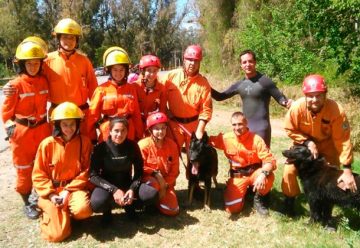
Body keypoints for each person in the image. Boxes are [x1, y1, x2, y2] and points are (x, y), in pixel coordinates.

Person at [3, 18, 98, 138]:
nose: (68, 41)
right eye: (64, 37)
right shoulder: (47, 60)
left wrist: (95, 114)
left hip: (81, 114)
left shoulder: (84, 61)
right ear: (58, 38)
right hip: (57, 115)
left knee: (83, 149)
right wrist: (10, 85)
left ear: (77, 40)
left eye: (72, 38)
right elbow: (29, 76)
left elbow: (94, 91)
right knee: (58, 151)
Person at [281, 74, 356, 215]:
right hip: (304, 146)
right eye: (310, 96)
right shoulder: (297, 108)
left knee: (332, 179)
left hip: (328, 145)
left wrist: (347, 169)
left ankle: (326, 214)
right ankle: (289, 203)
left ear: (325, 94)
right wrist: (307, 142)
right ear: (305, 95)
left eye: (319, 95)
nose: (314, 100)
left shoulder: (336, 110)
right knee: (289, 171)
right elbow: (289, 128)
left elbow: (343, 140)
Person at [1, 41, 52, 219]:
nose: (32, 66)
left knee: (44, 164)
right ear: (22, 64)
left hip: (43, 129)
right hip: (22, 133)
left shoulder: (44, 81)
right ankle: (27, 202)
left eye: (36, 63)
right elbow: (6, 113)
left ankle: (42, 195)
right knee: (24, 168)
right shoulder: (15, 85)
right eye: (28, 63)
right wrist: (10, 129)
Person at [32, 102, 93, 242]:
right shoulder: (47, 144)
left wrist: (67, 190)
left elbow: (87, 171)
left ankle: (65, 213)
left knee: (83, 210)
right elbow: (38, 174)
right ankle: (50, 212)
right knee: (57, 236)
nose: (69, 128)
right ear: (58, 125)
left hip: (73, 188)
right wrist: (52, 194)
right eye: (65, 124)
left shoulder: (85, 142)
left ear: (78, 124)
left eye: (72, 124)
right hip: (51, 191)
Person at [211, 49, 292, 147]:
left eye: (250, 61)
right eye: (244, 62)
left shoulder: (265, 81)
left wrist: (286, 102)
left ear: (255, 62)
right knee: (246, 160)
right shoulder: (239, 85)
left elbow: (280, 97)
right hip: (245, 129)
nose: (247, 64)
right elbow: (220, 97)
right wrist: (206, 86)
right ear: (241, 65)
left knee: (262, 160)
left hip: (262, 129)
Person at [89, 117, 157, 224]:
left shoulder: (132, 146)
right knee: (97, 203)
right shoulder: (101, 148)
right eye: (116, 131)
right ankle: (107, 211)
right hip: (107, 185)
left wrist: (132, 189)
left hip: (126, 182)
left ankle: (129, 206)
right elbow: (93, 176)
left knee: (151, 195)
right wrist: (114, 190)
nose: (119, 134)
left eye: (123, 131)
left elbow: (139, 170)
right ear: (110, 131)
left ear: (127, 132)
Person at [209, 112, 276, 216]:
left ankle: (258, 199)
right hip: (238, 176)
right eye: (234, 124)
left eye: (240, 124)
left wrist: (263, 174)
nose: (237, 127)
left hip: (255, 173)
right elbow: (207, 140)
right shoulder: (225, 139)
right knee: (232, 209)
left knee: (268, 176)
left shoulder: (256, 139)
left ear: (246, 123)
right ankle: (238, 192)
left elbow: (269, 161)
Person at [88, 46, 143, 142]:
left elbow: (136, 114)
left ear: (126, 70)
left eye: (122, 69)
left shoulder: (131, 88)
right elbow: (92, 116)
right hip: (107, 132)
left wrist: (139, 135)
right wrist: (91, 138)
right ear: (109, 70)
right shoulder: (101, 90)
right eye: (115, 69)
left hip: (129, 132)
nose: (118, 73)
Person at [164, 44, 212, 154]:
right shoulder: (171, 76)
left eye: (196, 61)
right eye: (189, 60)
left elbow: (206, 110)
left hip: (194, 126)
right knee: (171, 156)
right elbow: (160, 94)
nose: (192, 63)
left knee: (194, 159)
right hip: (174, 125)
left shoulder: (204, 84)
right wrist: (166, 111)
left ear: (200, 62)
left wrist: (200, 131)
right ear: (184, 59)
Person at [138, 112, 180, 216]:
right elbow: (140, 167)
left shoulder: (172, 145)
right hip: (149, 181)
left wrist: (165, 185)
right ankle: (148, 200)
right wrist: (156, 174)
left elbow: (175, 171)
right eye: (156, 128)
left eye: (163, 128)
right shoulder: (143, 145)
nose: (160, 131)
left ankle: (157, 201)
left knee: (172, 210)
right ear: (150, 130)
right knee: (153, 186)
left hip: (166, 183)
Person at [135, 55, 167, 130]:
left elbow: (162, 110)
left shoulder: (161, 88)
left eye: (155, 70)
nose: (152, 74)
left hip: (153, 124)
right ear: (143, 71)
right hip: (137, 123)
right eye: (149, 70)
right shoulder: (135, 86)